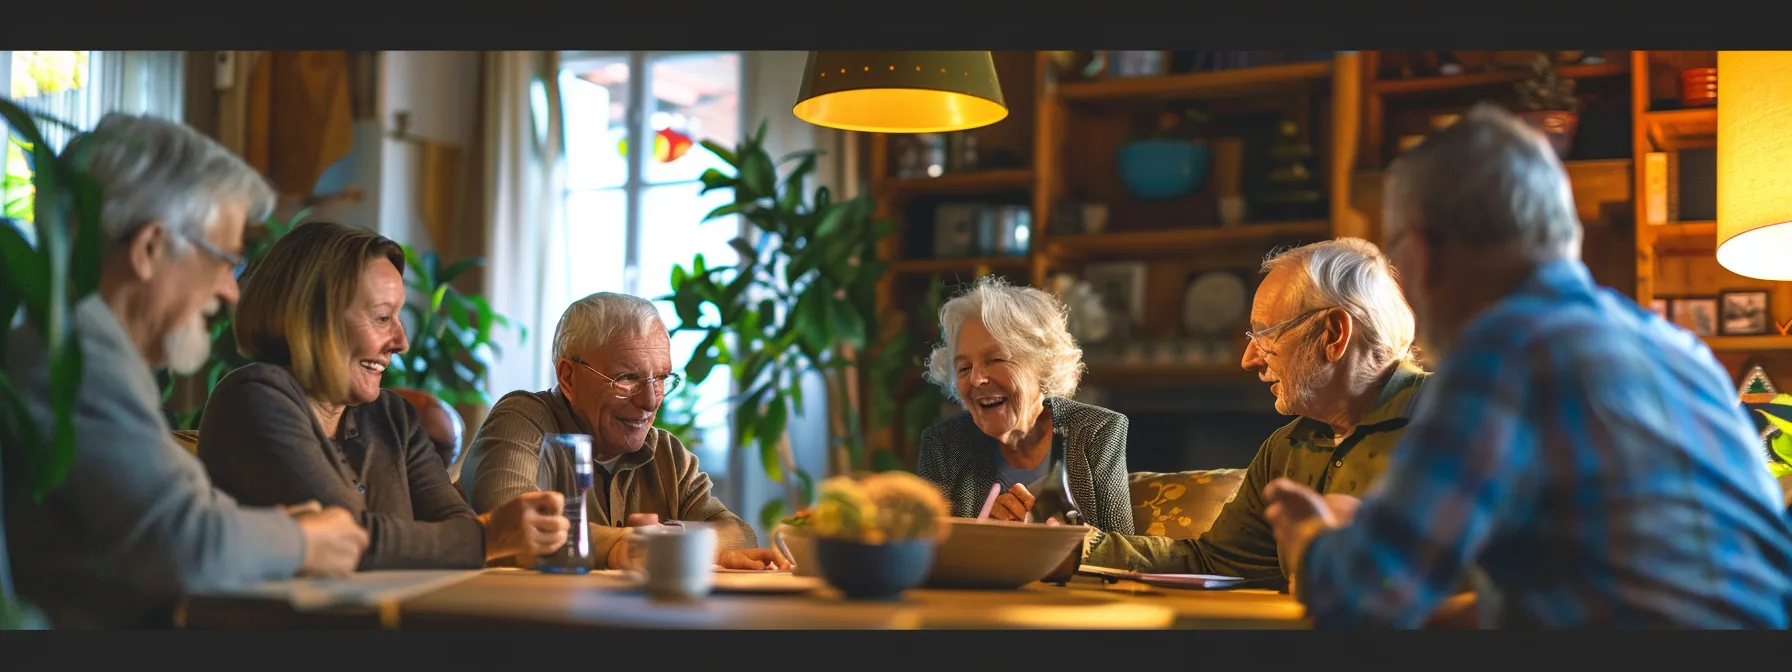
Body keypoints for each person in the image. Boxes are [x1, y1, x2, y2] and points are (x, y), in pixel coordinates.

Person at [1264, 104, 1792, 628]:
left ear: (1423, 253)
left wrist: (1310, 539)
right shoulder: (1680, 351)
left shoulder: (1504, 347)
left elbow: (1362, 600)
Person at [2, 113, 369, 628]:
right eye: (225, 261)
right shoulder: (73, 358)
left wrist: (273, 528)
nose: (231, 290)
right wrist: (303, 542)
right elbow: (184, 546)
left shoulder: (85, 348)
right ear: (150, 248)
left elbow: (173, 513)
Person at [198, 221, 568, 570]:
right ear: (313, 319)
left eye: (398, 317)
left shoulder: (392, 415)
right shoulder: (253, 398)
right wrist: (487, 536)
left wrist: (476, 538)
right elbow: (349, 540)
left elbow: (457, 526)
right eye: (381, 318)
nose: (401, 342)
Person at [1080, 239, 1429, 582]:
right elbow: (1214, 562)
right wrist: (1075, 546)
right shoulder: (1285, 448)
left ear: (1334, 334)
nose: (1248, 360)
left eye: (1265, 336)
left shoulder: (1449, 418)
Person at [461, 292, 785, 571]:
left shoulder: (666, 453)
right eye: (627, 378)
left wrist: (656, 537)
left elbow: (738, 533)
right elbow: (515, 530)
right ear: (568, 377)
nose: (649, 401)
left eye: (660, 378)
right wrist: (625, 546)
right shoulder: (521, 420)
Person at [916, 275, 1134, 534]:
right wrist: (987, 542)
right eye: (964, 368)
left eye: (995, 359)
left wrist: (1061, 541)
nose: (975, 379)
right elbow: (924, 552)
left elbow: (1123, 550)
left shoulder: (1096, 431)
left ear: (1042, 365)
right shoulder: (944, 445)